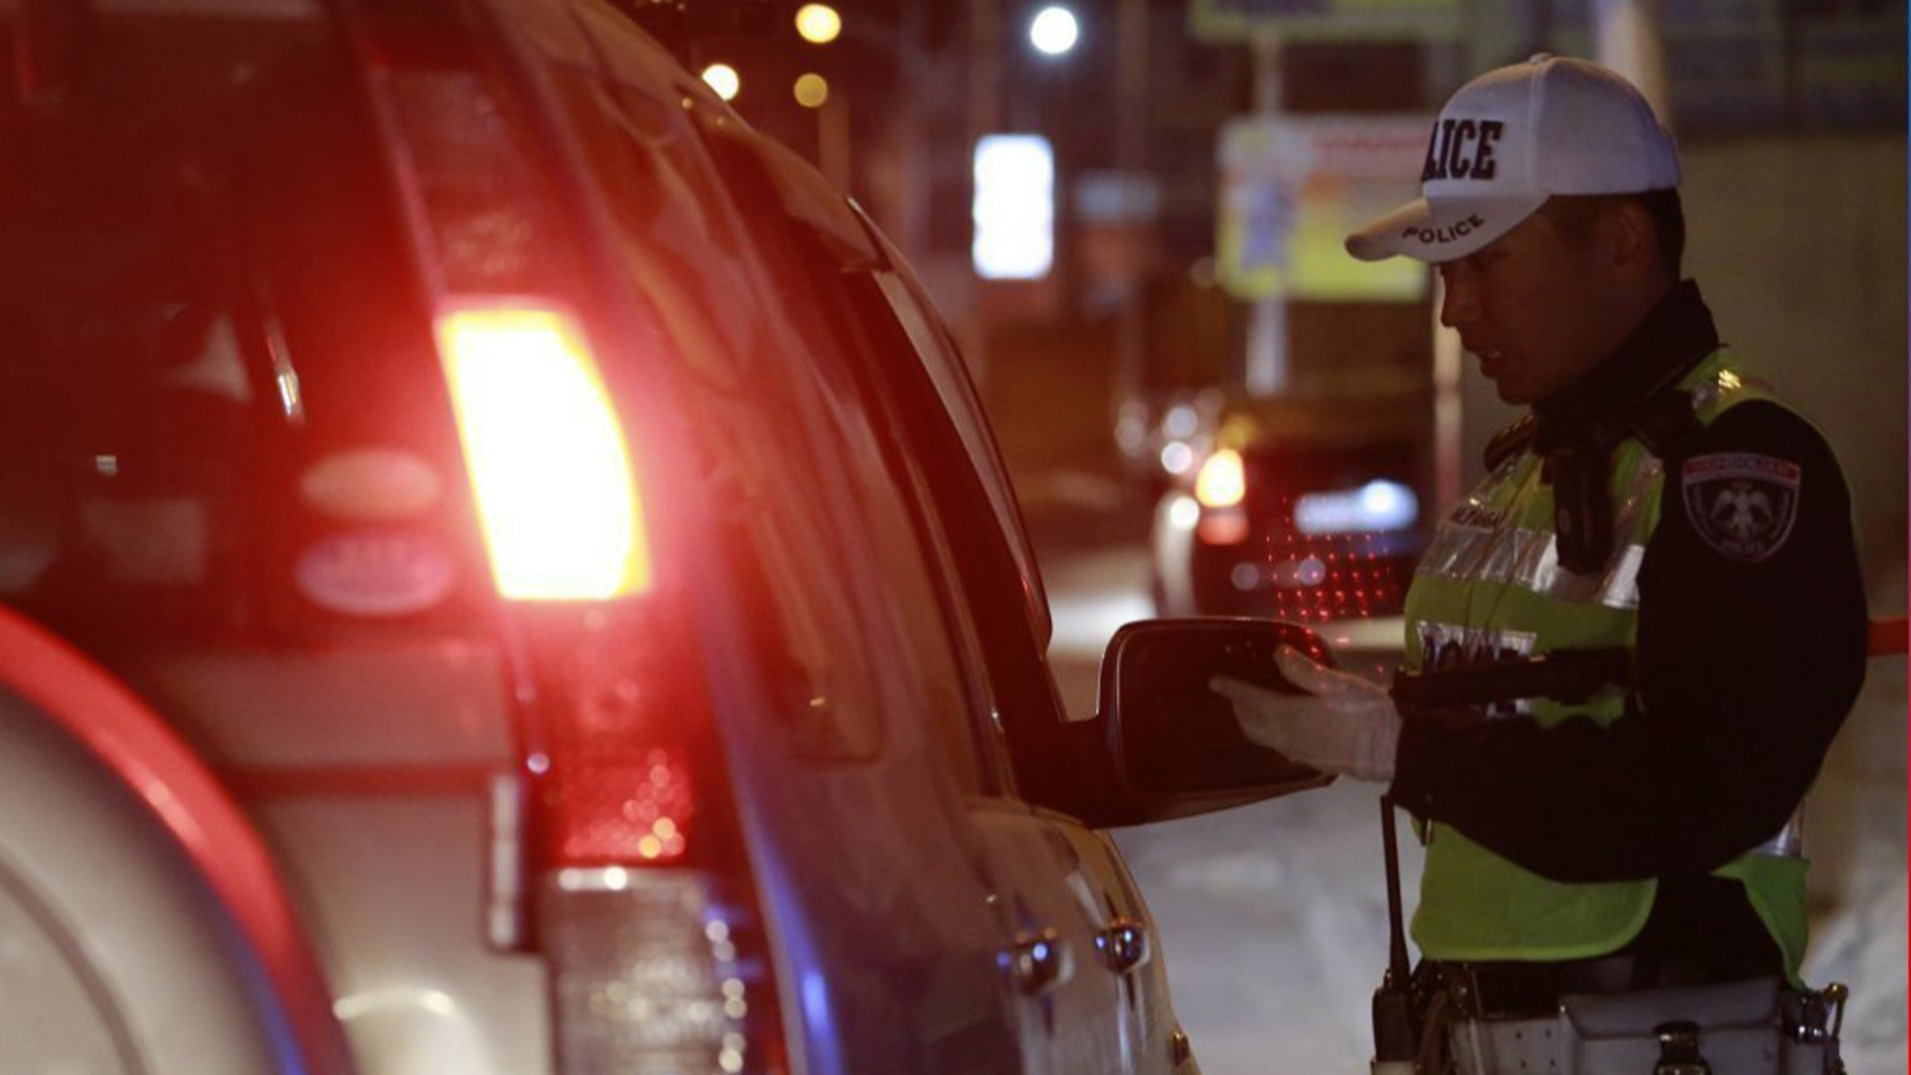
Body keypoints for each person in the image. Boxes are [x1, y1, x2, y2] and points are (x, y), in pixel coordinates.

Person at [1211, 53, 1868, 1062]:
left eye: (1485, 262)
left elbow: (1709, 778)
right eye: (1446, 271)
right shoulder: (1530, 466)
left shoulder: (1736, 464)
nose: (1455, 309)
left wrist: (1406, 750)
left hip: (1662, 1039)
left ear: (1620, 242)